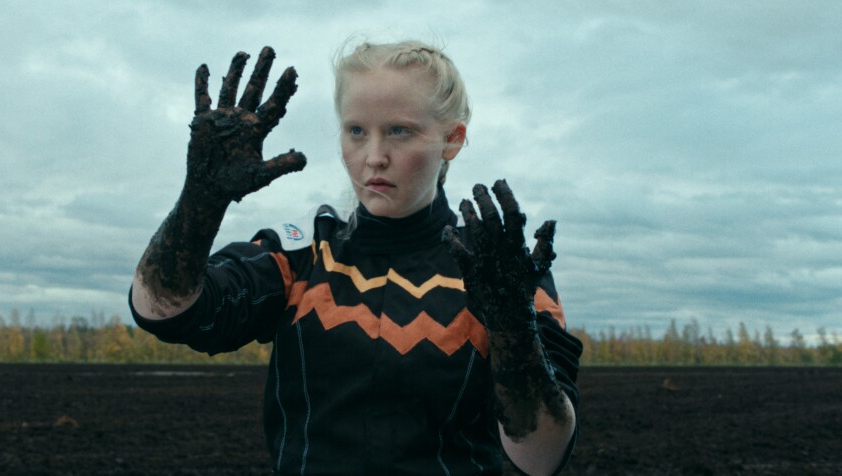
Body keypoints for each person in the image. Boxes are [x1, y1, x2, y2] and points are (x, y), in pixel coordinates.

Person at [130, 40, 583, 475]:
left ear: (452, 139)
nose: (374, 157)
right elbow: (164, 311)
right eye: (356, 131)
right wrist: (201, 201)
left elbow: (541, 457)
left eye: (399, 131)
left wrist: (513, 330)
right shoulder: (303, 254)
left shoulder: (498, 274)